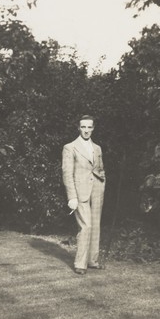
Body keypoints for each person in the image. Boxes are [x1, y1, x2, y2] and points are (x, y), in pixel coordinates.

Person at [62, 115, 106, 275]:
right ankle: (80, 264)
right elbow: (67, 174)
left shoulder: (97, 148)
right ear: (78, 128)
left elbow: (100, 168)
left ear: (93, 128)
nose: (86, 130)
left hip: (97, 190)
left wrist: (102, 182)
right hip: (80, 192)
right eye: (83, 127)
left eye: (89, 127)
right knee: (86, 225)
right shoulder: (70, 147)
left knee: (95, 225)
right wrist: (71, 196)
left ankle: (92, 261)